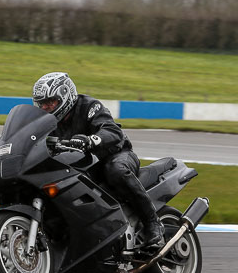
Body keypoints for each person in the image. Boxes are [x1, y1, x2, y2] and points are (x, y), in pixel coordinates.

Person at [32, 72, 165, 249]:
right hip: (83, 165)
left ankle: (153, 223)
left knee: (115, 170)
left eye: (51, 102)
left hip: (114, 154)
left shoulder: (89, 106)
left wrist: (91, 140)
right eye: (42, 104)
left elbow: (113, 131)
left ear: (66, 95)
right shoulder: (45, 122)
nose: (47, 107)